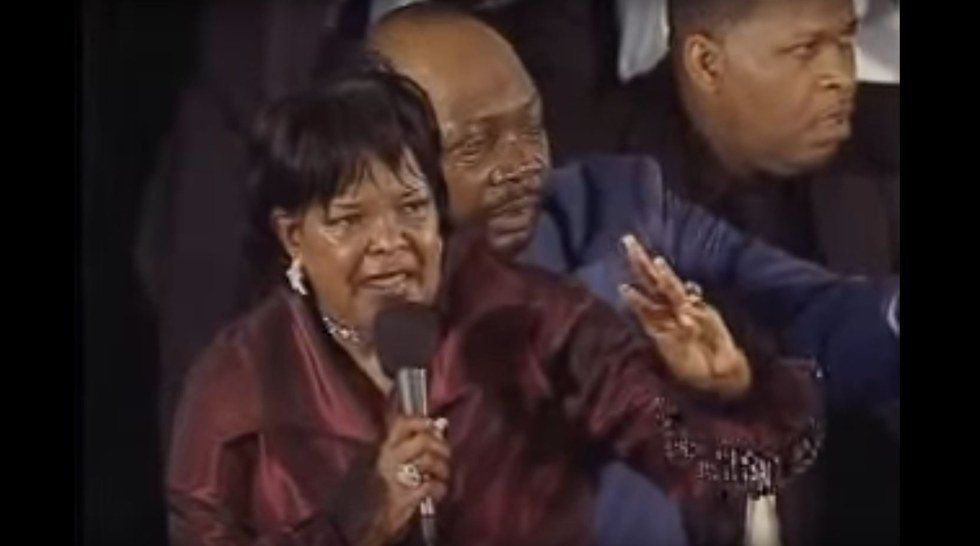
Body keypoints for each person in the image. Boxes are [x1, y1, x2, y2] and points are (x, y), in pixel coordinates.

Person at [167, 58, 822, 546]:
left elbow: (730, 477)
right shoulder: (237, 382)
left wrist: (730, 392)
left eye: (412, 208)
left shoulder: (536, 320)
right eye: (349, 219)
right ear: (293, 237)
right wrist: (356, 520)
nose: (390, 243)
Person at [366, 7, 895, 543]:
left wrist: (726, 392)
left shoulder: (617, 207)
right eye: (477, 145)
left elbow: (808, 308)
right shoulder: (335, 309)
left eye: (531, 126)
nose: (523, 162)